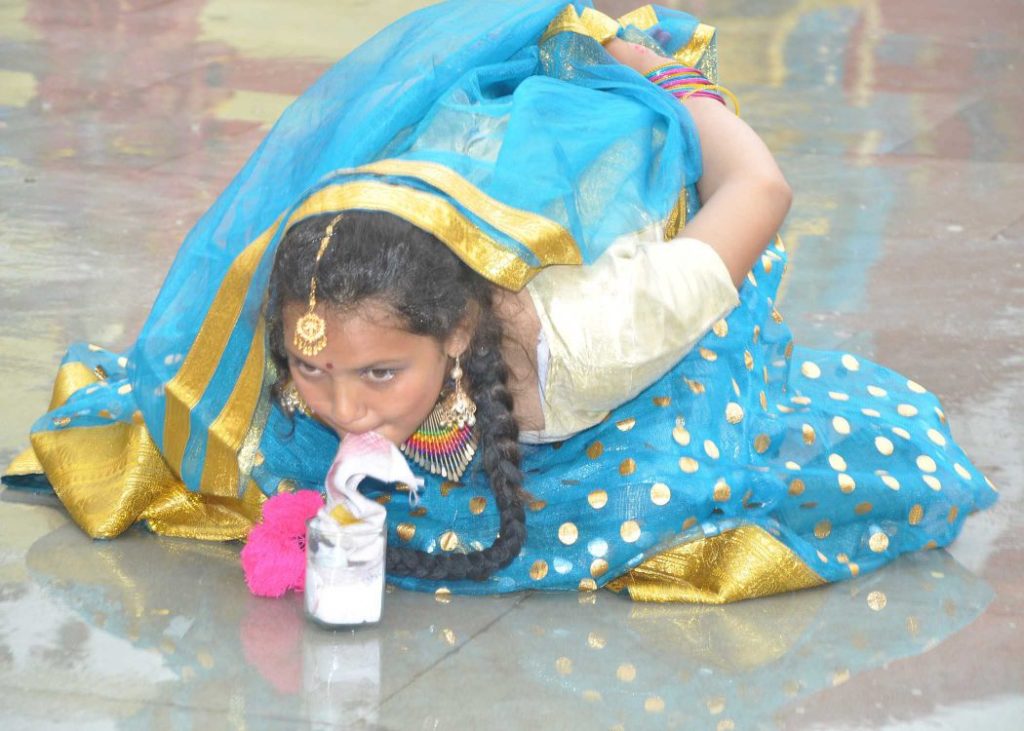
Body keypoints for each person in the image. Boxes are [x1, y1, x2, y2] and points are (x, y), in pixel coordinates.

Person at [3, 1, 998, 603]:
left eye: (378, 373)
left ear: (461, 332)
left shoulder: (595, 335)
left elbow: (760, 191)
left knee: (687, 478)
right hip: (467, 173)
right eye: (311, 367)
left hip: (640, 233)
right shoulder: (321, 305)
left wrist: (670, 80)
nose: (342, 407)